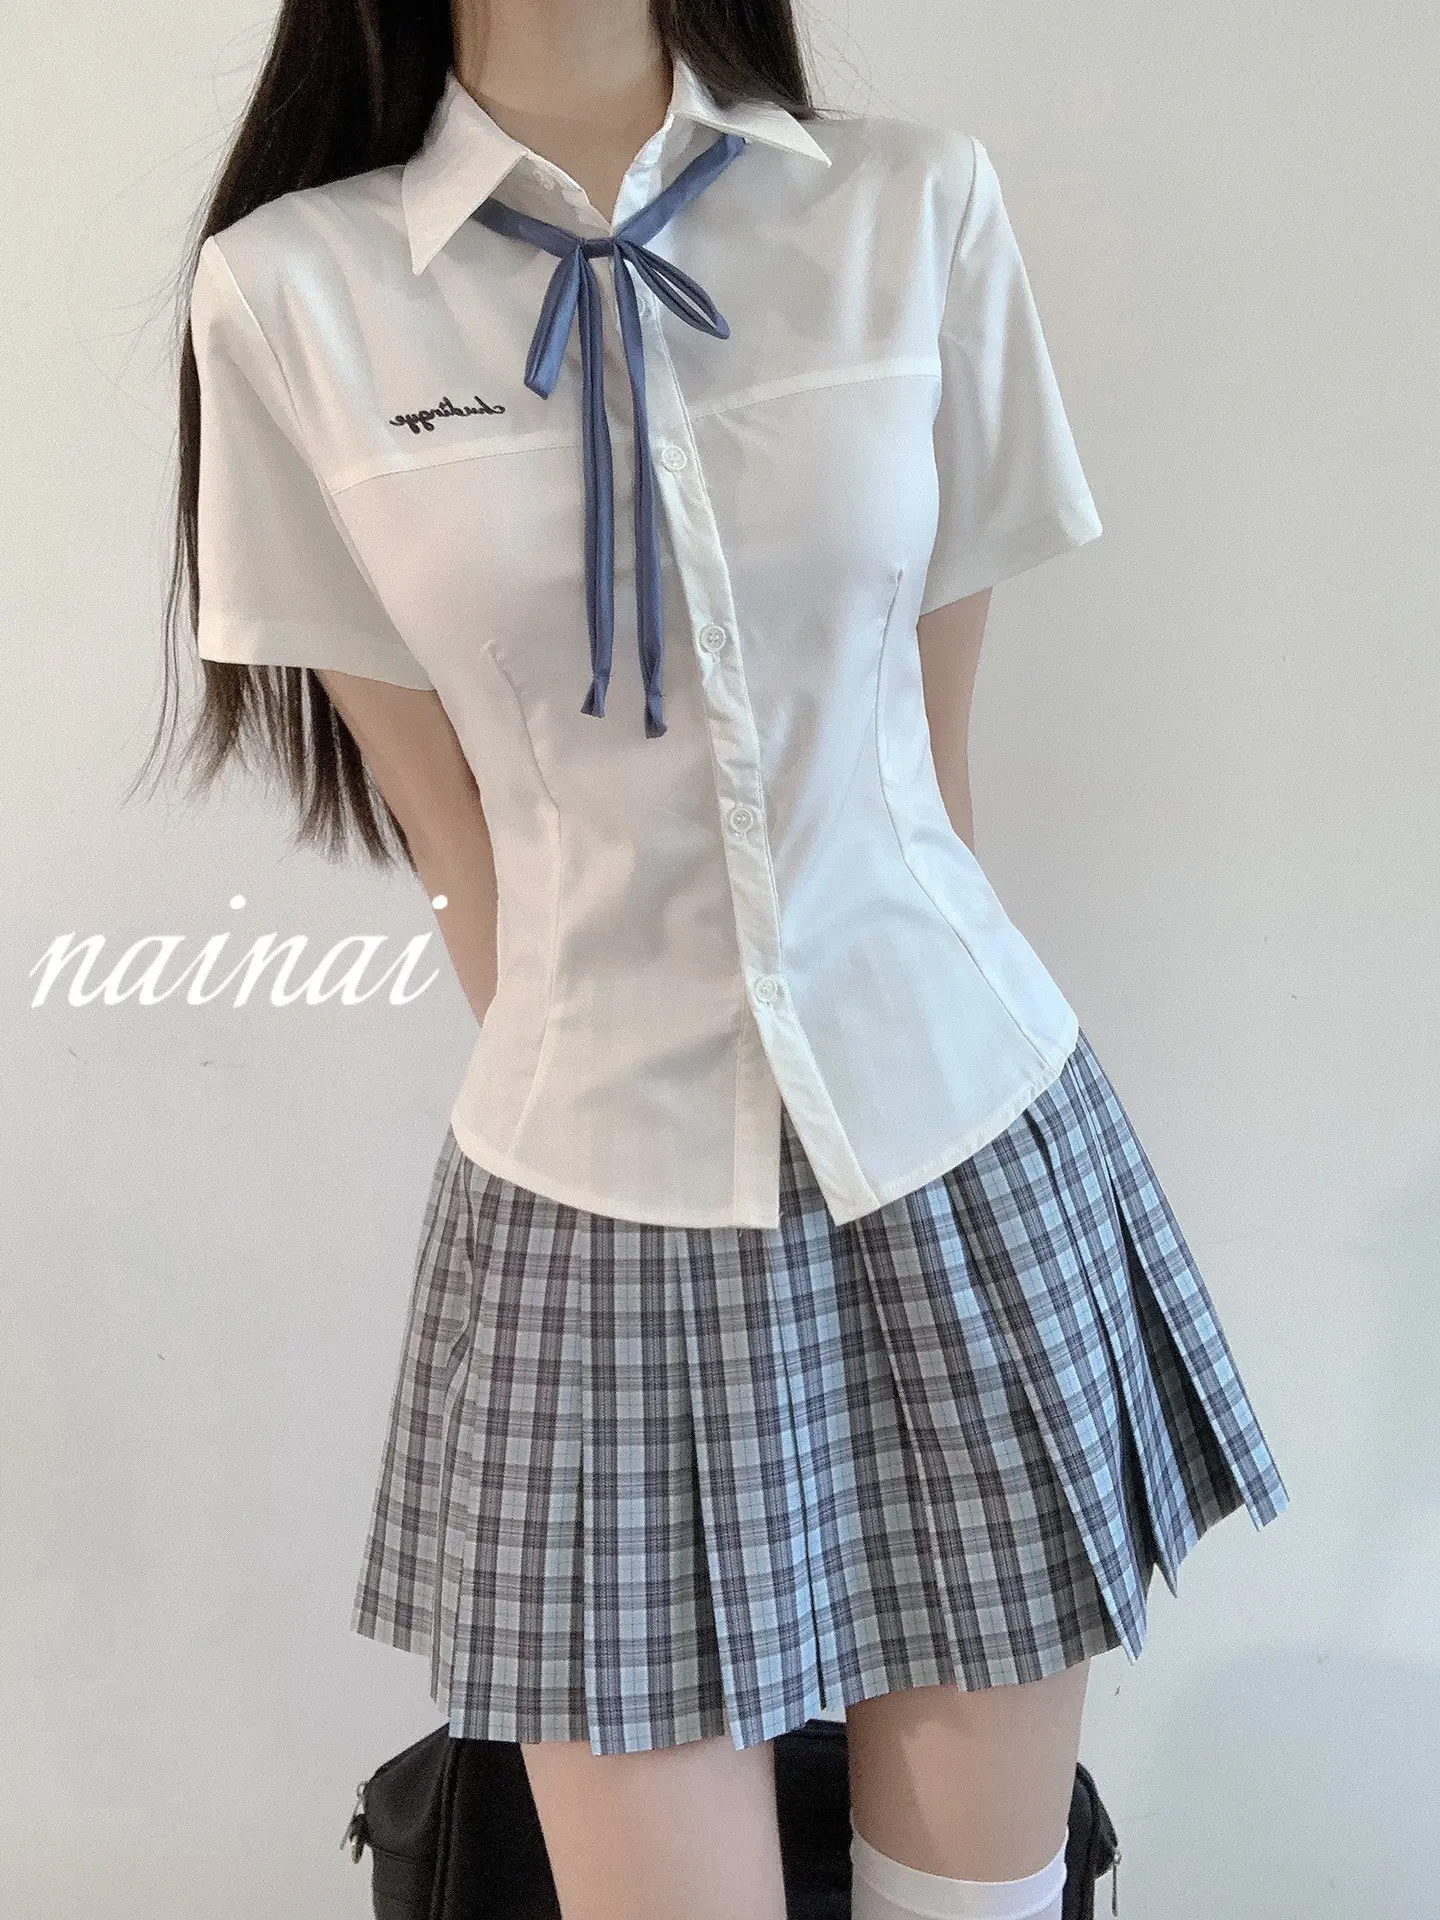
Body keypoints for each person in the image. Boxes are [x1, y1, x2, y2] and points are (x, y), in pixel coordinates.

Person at [152, 2, 1291, 1916]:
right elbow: (456, 850)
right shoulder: (290, 295)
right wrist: (621, 1086)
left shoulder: (911, 209)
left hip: (964, 1150)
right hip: (593, 1208)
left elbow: (933, 779)